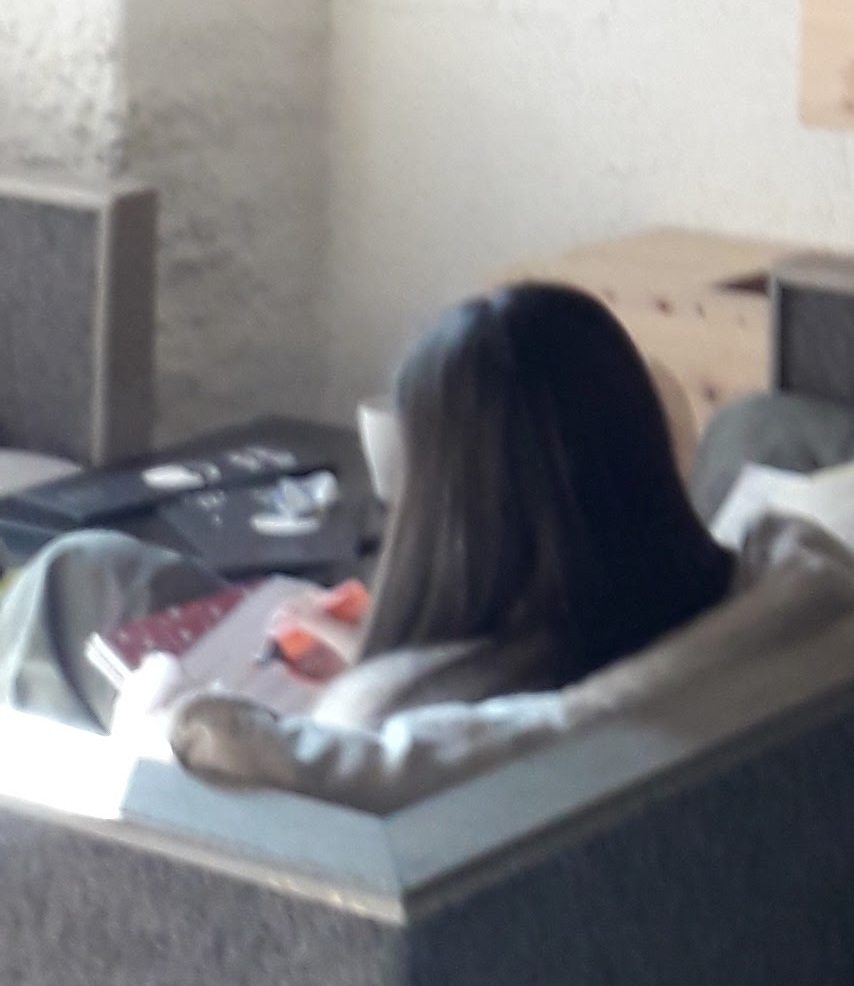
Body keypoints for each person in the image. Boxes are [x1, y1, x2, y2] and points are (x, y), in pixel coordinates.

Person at [0, 282, 734, 735]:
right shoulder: (709, 602)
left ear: (456, 508)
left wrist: (163, 712)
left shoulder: (383, 728)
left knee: (60, 596)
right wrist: (393, 652)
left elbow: (214, 783)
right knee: (95, 567)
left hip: (238, 764)